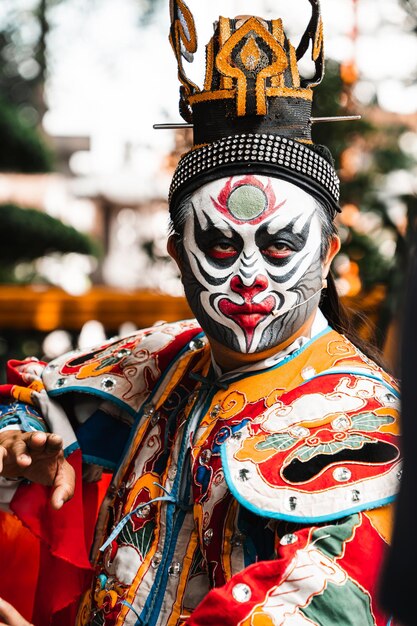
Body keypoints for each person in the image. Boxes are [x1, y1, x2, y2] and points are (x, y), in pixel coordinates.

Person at [0, 2, 401, 625]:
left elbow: (321, 602)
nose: (248, 274)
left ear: (327, 256)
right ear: (175, 256)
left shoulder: (365, 423)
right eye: (219, 245)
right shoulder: (168, 360)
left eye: (279, 246)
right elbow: (41, 396)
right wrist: (13, 445)